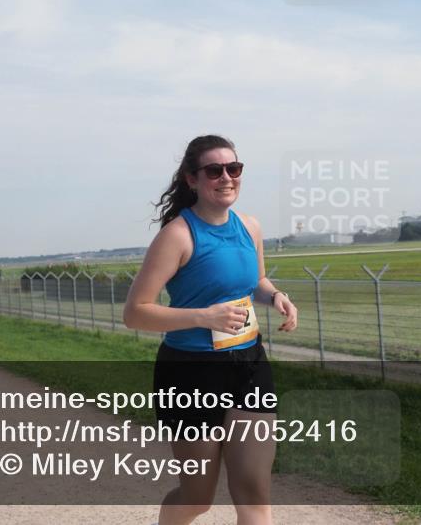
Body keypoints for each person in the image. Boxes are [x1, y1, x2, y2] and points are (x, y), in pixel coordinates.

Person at [124, 135, 297, 525]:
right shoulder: (178, 236)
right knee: (197, 497)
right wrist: (204, 317)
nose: (226, 177)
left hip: (249, 364)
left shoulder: (249, 227)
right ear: (192, 179)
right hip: (190, 371)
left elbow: (257, 282)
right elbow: (136, 313)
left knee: (255, 492)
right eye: (214, 170)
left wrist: (277, 297)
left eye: (233, 168)